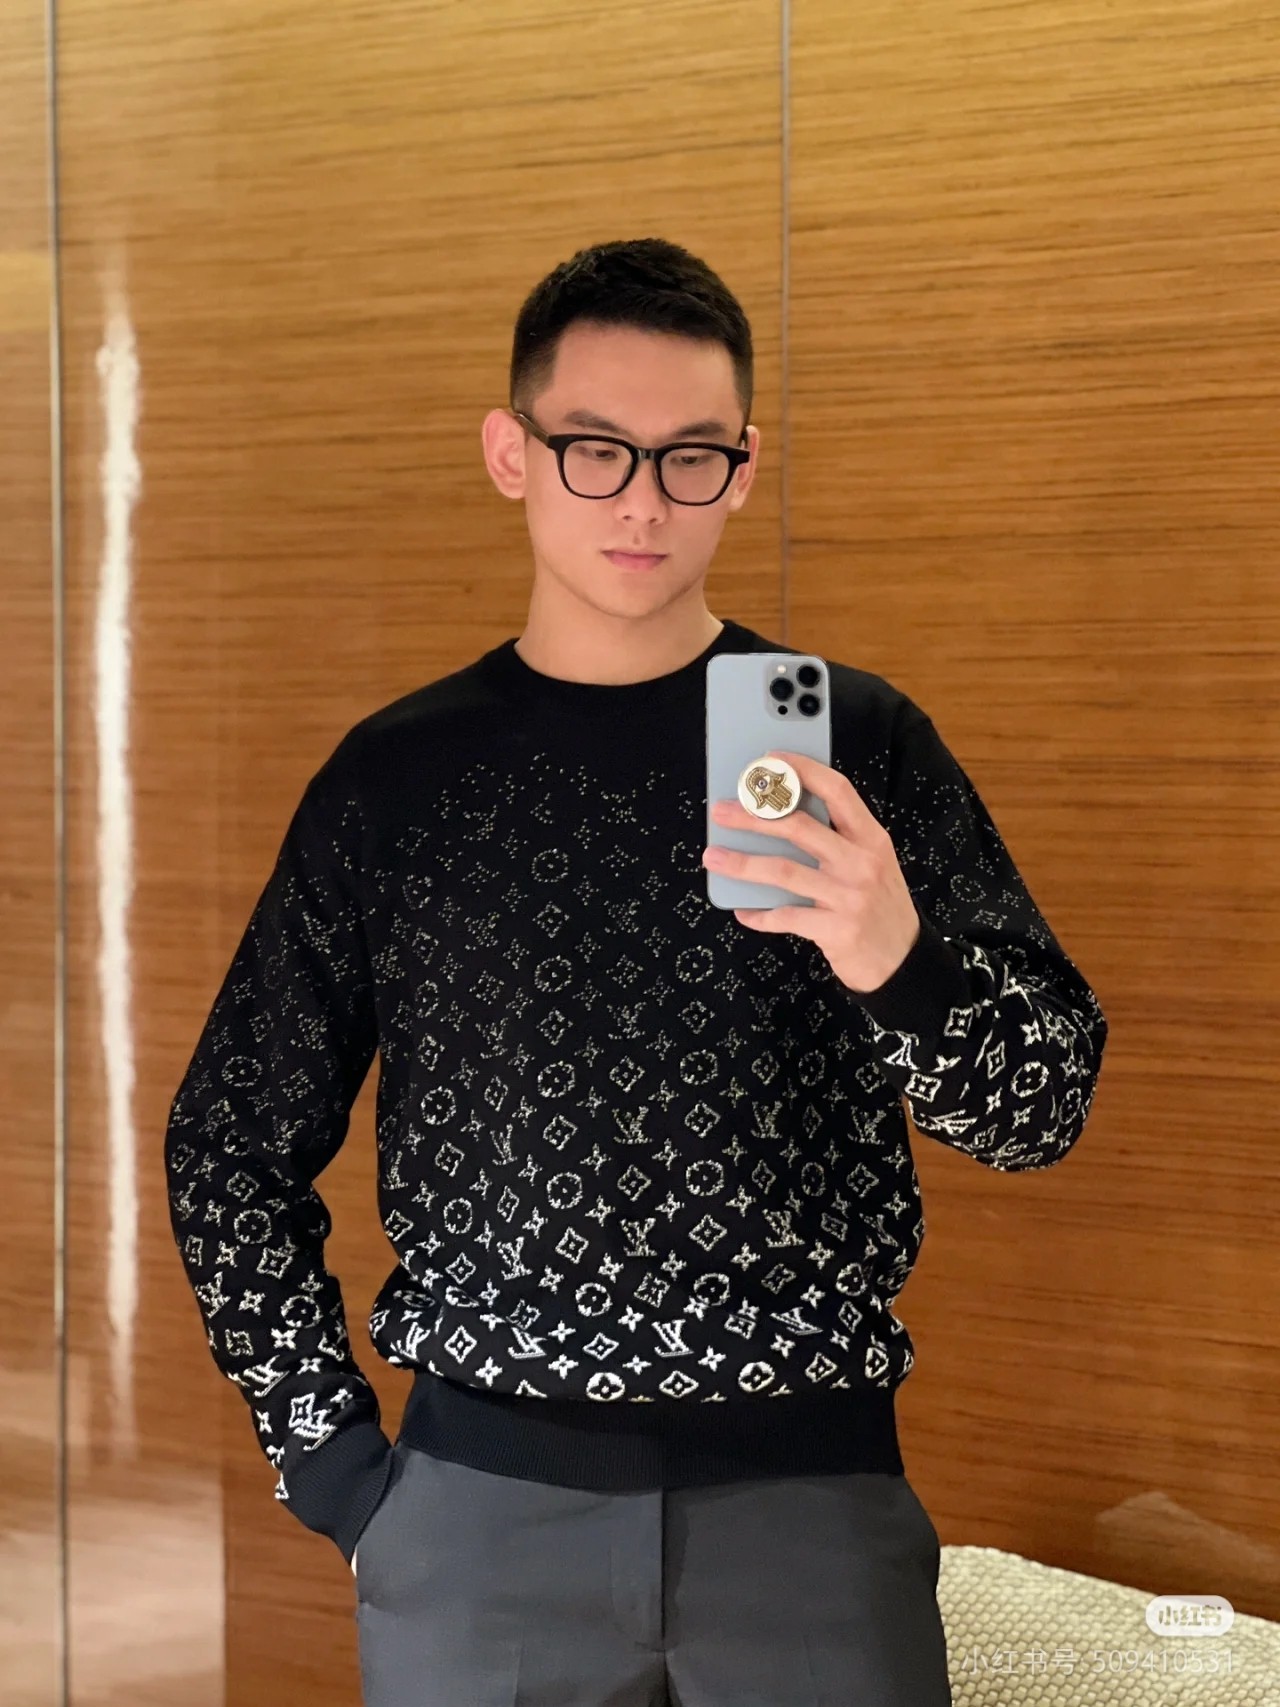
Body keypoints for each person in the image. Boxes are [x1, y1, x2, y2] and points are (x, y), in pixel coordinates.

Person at [164, 236, 1108, 1706]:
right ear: (512, 453)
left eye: (690, 457)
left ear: (743, 469)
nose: (645, 502)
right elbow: (230, 1139)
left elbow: (1041, 1109)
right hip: (476, 1530)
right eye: (596, 450)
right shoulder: (397, 781)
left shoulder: (863, 748)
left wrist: (894, 958)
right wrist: (336, 1469)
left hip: (813, 1521)